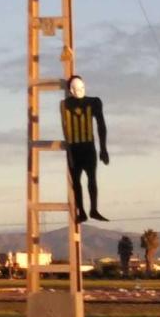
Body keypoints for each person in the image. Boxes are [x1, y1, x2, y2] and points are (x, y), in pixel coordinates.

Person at [60, 75, 109, 223]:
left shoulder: (93, 102)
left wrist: (103, 149)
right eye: (75, 88)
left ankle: (92, 209)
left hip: (87, 147)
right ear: (70, 90)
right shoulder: (65, 104)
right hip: (74, 148)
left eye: (80, 87)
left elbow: (101, 125)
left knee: (91, 179)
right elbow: (65, 127)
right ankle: (82, 211)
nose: (79, 91)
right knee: (76, 181)